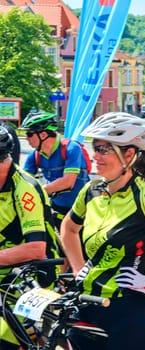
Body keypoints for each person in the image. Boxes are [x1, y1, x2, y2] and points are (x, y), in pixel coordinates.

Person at [60, 112, 145, 349]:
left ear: (129, 154)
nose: (96, 156)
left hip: (129, 311)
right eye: (96, 148)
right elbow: (69, 228)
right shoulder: (91, 190)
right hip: (88, 303)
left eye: (105, 149)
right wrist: (77, 268)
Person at [0, 126, 60, 350]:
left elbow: (36, 249)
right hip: (4, 271)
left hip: (30, 274)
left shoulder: (25, 189)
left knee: (7, 341)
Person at [20, 110, 90, 230]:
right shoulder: (35, 155)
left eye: (29, 134)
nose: (26, 138)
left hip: (83, 211)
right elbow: (21, 182)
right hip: (58, 209)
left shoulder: (71, 148)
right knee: (60, 247)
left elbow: (68, 182)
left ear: (43, 135)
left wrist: (39, 192)